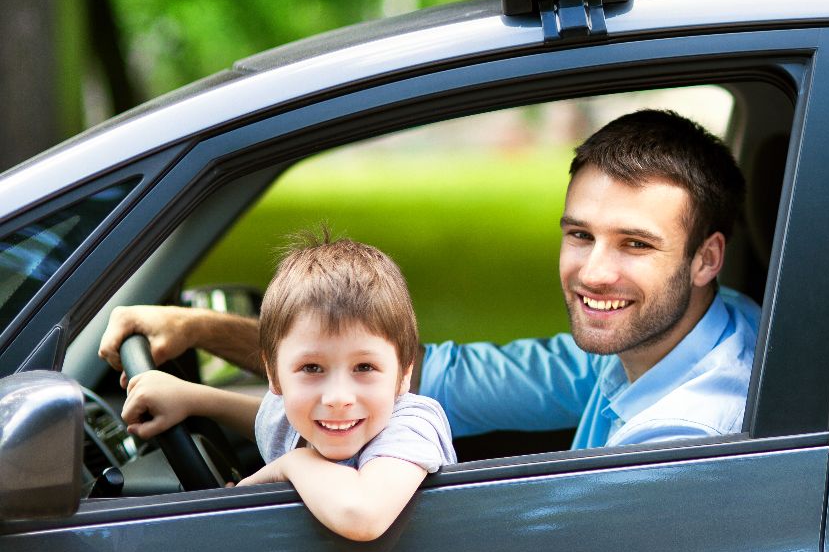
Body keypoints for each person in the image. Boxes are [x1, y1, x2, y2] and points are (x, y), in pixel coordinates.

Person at [101, 109, 759, 450]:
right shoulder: (677, 330)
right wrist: (198, 337)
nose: (592, 271)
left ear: (706, 257)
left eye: (635, 244)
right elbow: (416, 379)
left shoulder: (682, 435)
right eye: (579, 233)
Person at [121, 235, 455, 541]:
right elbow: (271, 416)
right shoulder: (296, 418)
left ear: (404, 373)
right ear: (274, 375)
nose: (337, 398)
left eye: (364, 367)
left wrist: (288, 466)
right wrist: (194, 398)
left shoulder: (412, 426)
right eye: (312, 368)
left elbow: (362, 515)